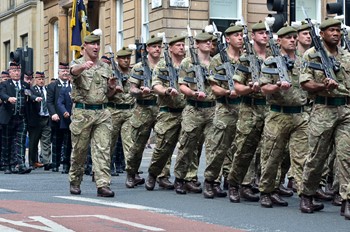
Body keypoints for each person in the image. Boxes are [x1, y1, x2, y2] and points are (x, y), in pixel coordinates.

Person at [299, 18, 350, 217]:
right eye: (331, 30)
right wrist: (323, 86)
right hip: (323, 110)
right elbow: (305, 83)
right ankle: (307, 194)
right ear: (321, 34)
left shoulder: (346, 56)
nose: (336, 34)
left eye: (338, 30)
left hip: (345, 111)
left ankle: (347, 199)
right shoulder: (311, 55)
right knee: (316, 157)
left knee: (346, 156)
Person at [258, 24, 309, 208]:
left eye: (295, 37)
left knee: (302, 157)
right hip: (278, 115)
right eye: (288, 38)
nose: (293, 40)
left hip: (300, 116)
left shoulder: (303, 61)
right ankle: (266, 191)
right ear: (279, 41)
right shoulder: (271, 61)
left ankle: (305, 196)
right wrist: (278, 85)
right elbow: (264, 88)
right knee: (272, 156)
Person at [226, 21, 270, 203]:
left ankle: (258, 185)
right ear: (253, 36)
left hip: (268, 108)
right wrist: (250, 88)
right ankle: (235, 184)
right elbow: (237, 87)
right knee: (244, 149)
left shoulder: (274, 57)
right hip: (249, 108)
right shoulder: (245, 59)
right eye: (260, 33)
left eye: (267, 33)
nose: (265, 36)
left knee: (267, 151)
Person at [69, 29, 115, 197]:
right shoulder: (77, 62)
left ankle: (102, 184)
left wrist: (111, 88)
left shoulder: (105, 67)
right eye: (92, 44)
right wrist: (82, 66)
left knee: (102, 148)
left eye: (98, 44)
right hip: (83, 112)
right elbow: (72, 73)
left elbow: (108, 95)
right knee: (79, 150)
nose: (96, 47)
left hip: (102, 112)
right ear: (85, 46)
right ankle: (75, 180)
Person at [173, 31, 216, 194]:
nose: (208, 44)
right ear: (197, 44)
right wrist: (192, 93)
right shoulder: (187, 62)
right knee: (187, 145)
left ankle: (210, 181)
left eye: (210, 42)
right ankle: (180, 178)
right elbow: (182, 85)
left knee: (213, 147)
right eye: (204, 42)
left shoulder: (215, 62)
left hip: (212, 109)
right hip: (194, 108)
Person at [204, 24, 244, 199]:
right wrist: (228, 92)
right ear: (228, 39)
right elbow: (214, 87)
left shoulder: (246, 58)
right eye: (236, 35)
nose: (240, 38)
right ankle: (210, 180)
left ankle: (233, 180)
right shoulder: (218, 60)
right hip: (225, 108)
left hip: (243, 108)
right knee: (220, 147)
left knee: (241, 148)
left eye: (242, 35)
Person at [145, 35, 187, 191]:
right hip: (167, 112)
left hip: (186, 111)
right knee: (163, 147)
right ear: (170, 48)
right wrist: (166, 91)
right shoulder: (162, 65)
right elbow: (155, 85)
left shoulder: (188, 64)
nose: (182, 47)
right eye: (178, 45)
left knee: (186, 147)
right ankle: (153, 174)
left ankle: (181, 179)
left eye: (183, 45)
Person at [124, 35, 162, 188]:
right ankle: (131, 173)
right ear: (147, 49)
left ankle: (161, 175)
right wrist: (140, 92)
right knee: (137, 145)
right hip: (143, 108)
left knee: (162, 143)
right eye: (154, 46)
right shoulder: (139, 67)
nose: (157, 49)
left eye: (159, 46)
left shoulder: (165, 66)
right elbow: (131, 89)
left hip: (160, 107)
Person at [107, 47, 135, 177]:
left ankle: (131, 173)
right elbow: (104, 95)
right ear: (117, 59)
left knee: (130, 144)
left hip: (129, 111)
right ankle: (102, 171)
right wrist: (113, 90)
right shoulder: (110, 73)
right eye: (123, 58)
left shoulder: (133, 72)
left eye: (128, 58)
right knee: (109, 144)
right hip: (114, 111)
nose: (126, 60)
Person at [0, 62, 32, 174]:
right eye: (14, 71)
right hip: (9, 117)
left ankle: (20, 164)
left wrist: (35, 98)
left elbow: (29, 95)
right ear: (9, 72)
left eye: (18, 71)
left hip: (22, 117)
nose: (16, 73)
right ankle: (7, 164)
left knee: (20, 141)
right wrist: (8, 98)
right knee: (7, 142)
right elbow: (2, 94)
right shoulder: (5, 84)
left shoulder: (25, 85)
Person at [47, 62, 72, 172]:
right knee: (56, 142)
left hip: (69, 119)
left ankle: (66, 164)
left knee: (68, 143)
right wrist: (53, 114)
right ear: (58, 73)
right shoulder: (53, 85)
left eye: (67, 71)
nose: (65, 73)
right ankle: (55, 163)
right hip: (56, 118)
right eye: (63, 71)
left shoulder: (72, 85)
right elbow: (50, 102)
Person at [27, 71, 51, 169]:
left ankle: (46, 162)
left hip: (46, 118)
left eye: (42, 79)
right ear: (35, 80)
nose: (41, 81)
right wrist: (35, 98)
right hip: (36, 119)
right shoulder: (31, 90)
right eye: (39, 79)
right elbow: (29, 96)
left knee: (46, 141)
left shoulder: (47, 89)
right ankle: (33, 161)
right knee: (34, 142)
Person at [57, 74, 73, 174]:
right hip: (68, 120)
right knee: (67, 144)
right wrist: (64, 112)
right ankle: (66, 165)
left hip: (81, 119)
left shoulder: (82, 89)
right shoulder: (64, 89)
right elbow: (60, 102)